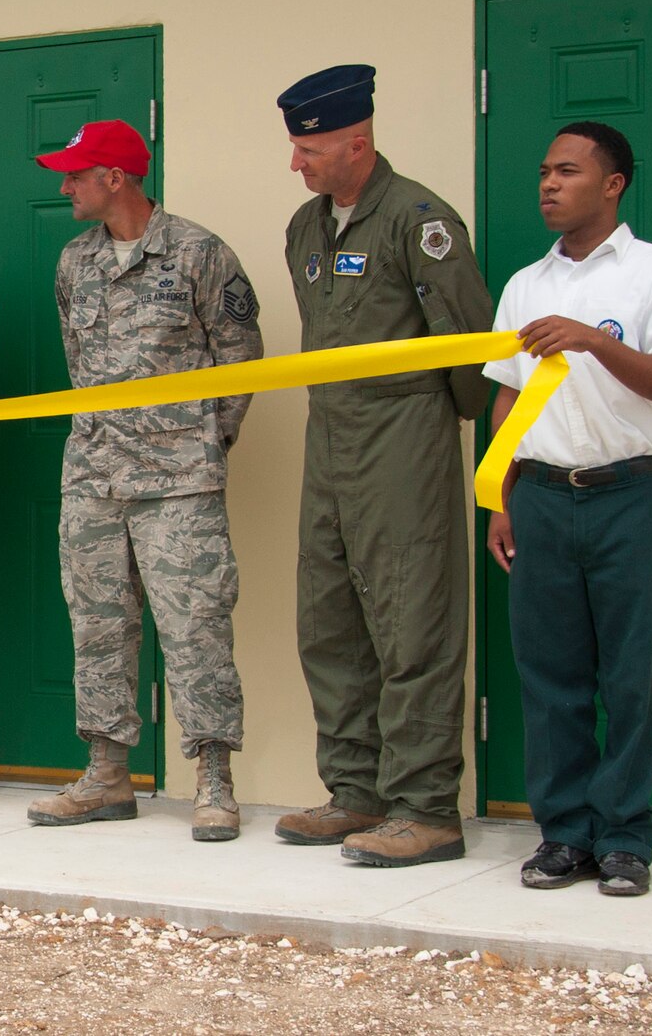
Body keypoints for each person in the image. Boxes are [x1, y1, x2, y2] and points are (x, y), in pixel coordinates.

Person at [276, 63, 495, 866]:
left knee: (413, 622)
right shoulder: (305, 227)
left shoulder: (419, 220)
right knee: (328, 620)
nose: (296, 164)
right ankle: (355, 791)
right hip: (328, 444)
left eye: (308, 149)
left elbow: (469, 345)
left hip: (403, 441)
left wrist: (443, 423)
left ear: (356, 142)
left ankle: (427, 807)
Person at [485, 122, 652, 897]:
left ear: (613, 184)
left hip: (630, 499)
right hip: (542, 499)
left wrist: (591, 341)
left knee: (629, 679)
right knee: (550, 678)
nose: (549, 184)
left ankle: (623, 839)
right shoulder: (525, 284)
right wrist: (499, 496)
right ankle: (563, 835)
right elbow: (508, 397)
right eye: (544, 171)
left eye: (568, 172)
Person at [25, 120, 263, 842]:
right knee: (97, 622)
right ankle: (106, 774)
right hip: (95, 473)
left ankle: (214, 781)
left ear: (115, 178)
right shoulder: (74, 261)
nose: (64, 186)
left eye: (75, 174)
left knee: (195, 629)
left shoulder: (198, 252)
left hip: (179, 481)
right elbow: (77, 358)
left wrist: (198, 443)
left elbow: (241, 361)